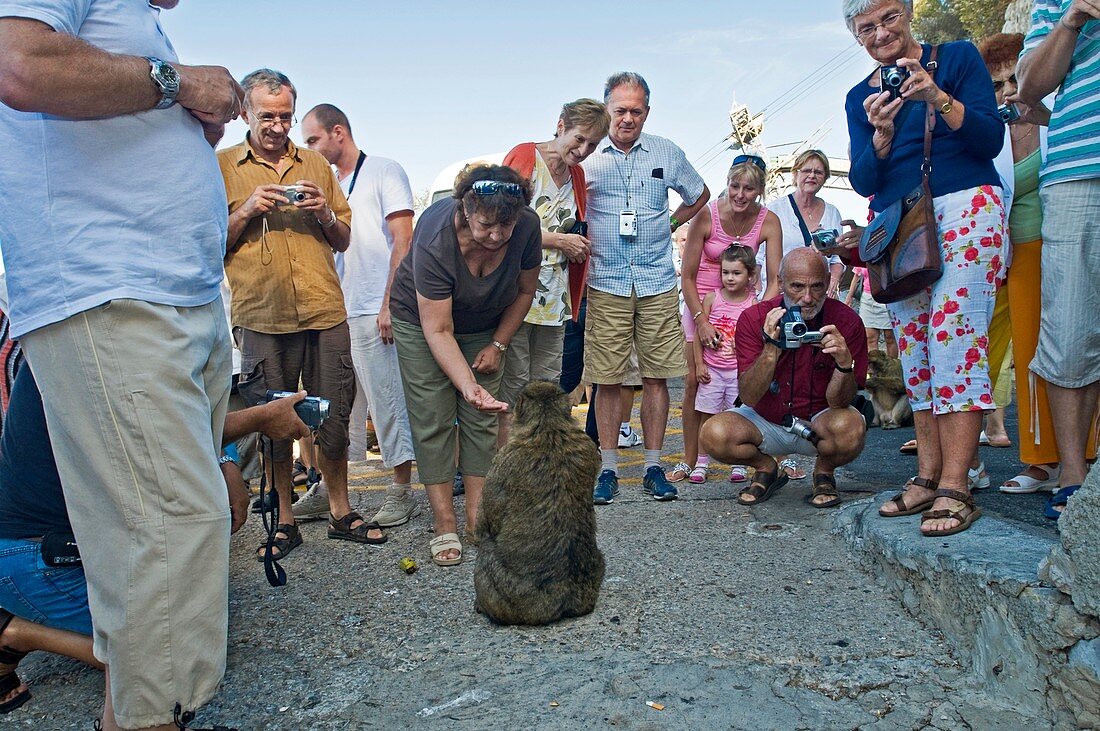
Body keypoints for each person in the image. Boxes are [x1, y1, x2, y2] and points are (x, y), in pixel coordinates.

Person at [0, 2, 244, 728]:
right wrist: (177, 83)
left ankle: (130, 714)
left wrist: (173, 106)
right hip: (110, 292)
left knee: (147, 556)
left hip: (169, 297)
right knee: (172, 536)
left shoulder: (130, 14)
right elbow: (20, 63)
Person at [0, 361, 310, 717]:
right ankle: (14, 632)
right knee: (178, 658)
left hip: (61, 543)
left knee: (199, 608)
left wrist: (224, 459)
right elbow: (168, 431)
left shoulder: (86, 333)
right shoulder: (94, 344)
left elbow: (179, 413)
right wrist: (259, 419)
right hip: (38, 557)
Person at [843, 0, 1006, 536]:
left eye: (889, 18)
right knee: (915, 349)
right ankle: (928, 476)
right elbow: (865, 180)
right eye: (866, 28)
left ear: (908, 13)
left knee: (955, 342)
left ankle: (958, 485)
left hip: (965, 205)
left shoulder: (955, 58)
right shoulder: (858, 95)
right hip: (901, 221)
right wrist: (882, 139)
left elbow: (988, 138)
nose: (880, 33)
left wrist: (936, 96)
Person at [219, 69, 385, 559]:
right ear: (246, 113)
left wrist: (323, 213)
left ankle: (339, 509)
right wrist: (248, 209)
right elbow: (208, 241)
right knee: (272, 417)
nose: (277, 126)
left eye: (285, 116)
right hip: (261, 313)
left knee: (332, 410)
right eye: (267, 116)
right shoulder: (223, 166)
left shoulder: (314, 162)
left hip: (321, 308)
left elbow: (344, 237)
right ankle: (285, 519)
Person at [389, 165, 540, 566]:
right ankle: (443, 522)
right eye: (486, 224)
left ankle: (477, 518)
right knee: (433, 417)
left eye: (504, 227)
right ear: (466, 209)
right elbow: (437, 329)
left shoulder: (526, 225)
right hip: (422, 323)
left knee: (483, 421)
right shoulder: (436, 235)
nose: (495, 236)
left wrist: (498, 343)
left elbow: (525, 291)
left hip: (487, 322)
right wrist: (466, 385)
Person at [977, 32, 1100, 498]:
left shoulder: (1058, 121)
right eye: (996, 83)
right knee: (1033, 358)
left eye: (1014, 78)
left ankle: (1087, 455)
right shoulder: (988, 137)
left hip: (1072, 239)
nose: (1008, 90)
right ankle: (1041, 460)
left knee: (1085, 344)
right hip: (1022, 253)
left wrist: (1043, 115)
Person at [581, 71, 711, 505]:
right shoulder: (589, 157)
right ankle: (609, 469)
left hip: (656, 278)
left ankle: (654, 466)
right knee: (606, 378)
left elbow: (700, 192)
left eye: (637, 111)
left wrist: (673, 222)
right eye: (620, 111)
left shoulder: (666, 152)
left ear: (647, 113)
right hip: (606, 280)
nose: (628, 119)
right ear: (606, 110)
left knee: (657, 377)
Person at [299, 103, 421, 529]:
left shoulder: (384, 171)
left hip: (374, 307)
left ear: (338, 132)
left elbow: (403, 240)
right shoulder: (326, 182)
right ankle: (327, 490)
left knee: (388, 401)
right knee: (336, 410)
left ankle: (402, 489)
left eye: (312, 139)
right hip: (335, 309)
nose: (307, 148)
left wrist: (390, 302)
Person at [699, 249, 868, 508]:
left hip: (820, 418)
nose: (807, 298)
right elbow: (749, 396)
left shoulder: (846, 321)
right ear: (780, 283)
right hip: (766, 417)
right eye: (797, 287)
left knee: (852, 427)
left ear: (828, 282)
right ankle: (767, 468)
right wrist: (770, 349)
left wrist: (844, 364)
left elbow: (840, 402)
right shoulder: (755, 318)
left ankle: (824, 471)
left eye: (817, 287)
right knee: (714, 434)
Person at [1017, 0, 1100, 519]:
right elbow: (1028, 86)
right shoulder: (1054, 2)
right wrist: (1072, 19)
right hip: (1075, 173)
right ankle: (1074, 475)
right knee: (1069, 333)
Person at [498, 98, 610, 445]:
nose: (584, 149)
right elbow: (502, 224)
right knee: (513, 384)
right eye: (579, 139)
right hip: (518, 293)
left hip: (556, 297)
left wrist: (577, 247)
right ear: (561, 125)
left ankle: (537, 459)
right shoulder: (525, 156)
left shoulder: (576, 174)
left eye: (592, 144)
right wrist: (561, 241)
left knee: (546, 387)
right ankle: (508, 462)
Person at [675, 155, 781, 484]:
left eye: (748, 188)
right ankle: (690, 459)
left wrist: (756, 317)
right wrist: (701, 320)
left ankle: (744, 455)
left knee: (745, 383)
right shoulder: (706, 216)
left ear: (759, 191)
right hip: (702, 303)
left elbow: (775, 277)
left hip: (744, 309)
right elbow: (688, 277)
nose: (739, 194)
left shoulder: (768, 221)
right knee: (696, 381)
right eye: (734, 186)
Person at [690, 245, 759, 484]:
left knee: (738, 418)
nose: (730, 278)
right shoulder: (712, 298)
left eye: (736, 273)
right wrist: (699, 364)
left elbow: (756, 341)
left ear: (750, 275)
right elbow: (700, 335)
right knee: (706, 417)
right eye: (726, 272)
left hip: (737, 374)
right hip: (712, 370)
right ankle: (701, 462)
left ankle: (738, 461)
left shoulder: (753, 304)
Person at [767, 149, 846, 297]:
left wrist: (833, 280)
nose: (812, 176)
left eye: (818, 172)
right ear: (795, 174)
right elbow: (759, 257)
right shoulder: (774, 210)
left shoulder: (832, 213)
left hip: (817, 296)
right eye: (807, 170)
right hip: (780, 294)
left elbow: (838, 257)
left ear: (825, 178)